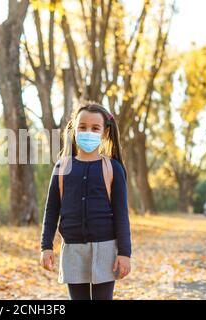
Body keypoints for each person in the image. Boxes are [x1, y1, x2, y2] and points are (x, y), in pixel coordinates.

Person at [39, 101, 132, 300]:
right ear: (74, 129)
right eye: (82, 127)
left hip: (106, 248)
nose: (88, 132)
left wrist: (125, 253)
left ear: (105, 133)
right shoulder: (62, 168)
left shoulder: (113, 168)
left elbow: (122, 215)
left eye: (95, 128)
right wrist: (46, 246)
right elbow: (51, 211)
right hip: (73, 249)